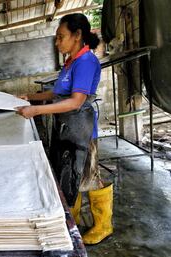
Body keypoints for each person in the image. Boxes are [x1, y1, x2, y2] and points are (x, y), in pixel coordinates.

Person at [16, 13, 113, 245]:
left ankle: (104, 225)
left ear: (78, 36)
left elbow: (76, 101)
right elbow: (56, 93)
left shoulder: (86, 62)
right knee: (69, 174)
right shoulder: (70, 61)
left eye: (61, 37)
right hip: (66, 126)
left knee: (89, 176)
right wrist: (30, 96)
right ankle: (74, 218)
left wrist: (36, 111)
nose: (57, 43)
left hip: (81, 129)